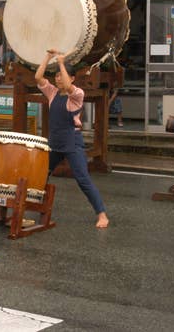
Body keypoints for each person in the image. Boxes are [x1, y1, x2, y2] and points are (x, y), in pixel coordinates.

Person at [36, 49, 109, 229]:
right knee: (40, 176)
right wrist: (47, 57)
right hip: (54, 141)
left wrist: (61, 62)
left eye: (62, 76)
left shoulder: (77, 94)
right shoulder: (52, 92)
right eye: (57, 76)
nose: (58, 79)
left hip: (72, 141)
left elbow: (68, 87)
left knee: (83, 179)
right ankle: (35, 207)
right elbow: (38, 77)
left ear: (72, 78)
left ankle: (102, 214)